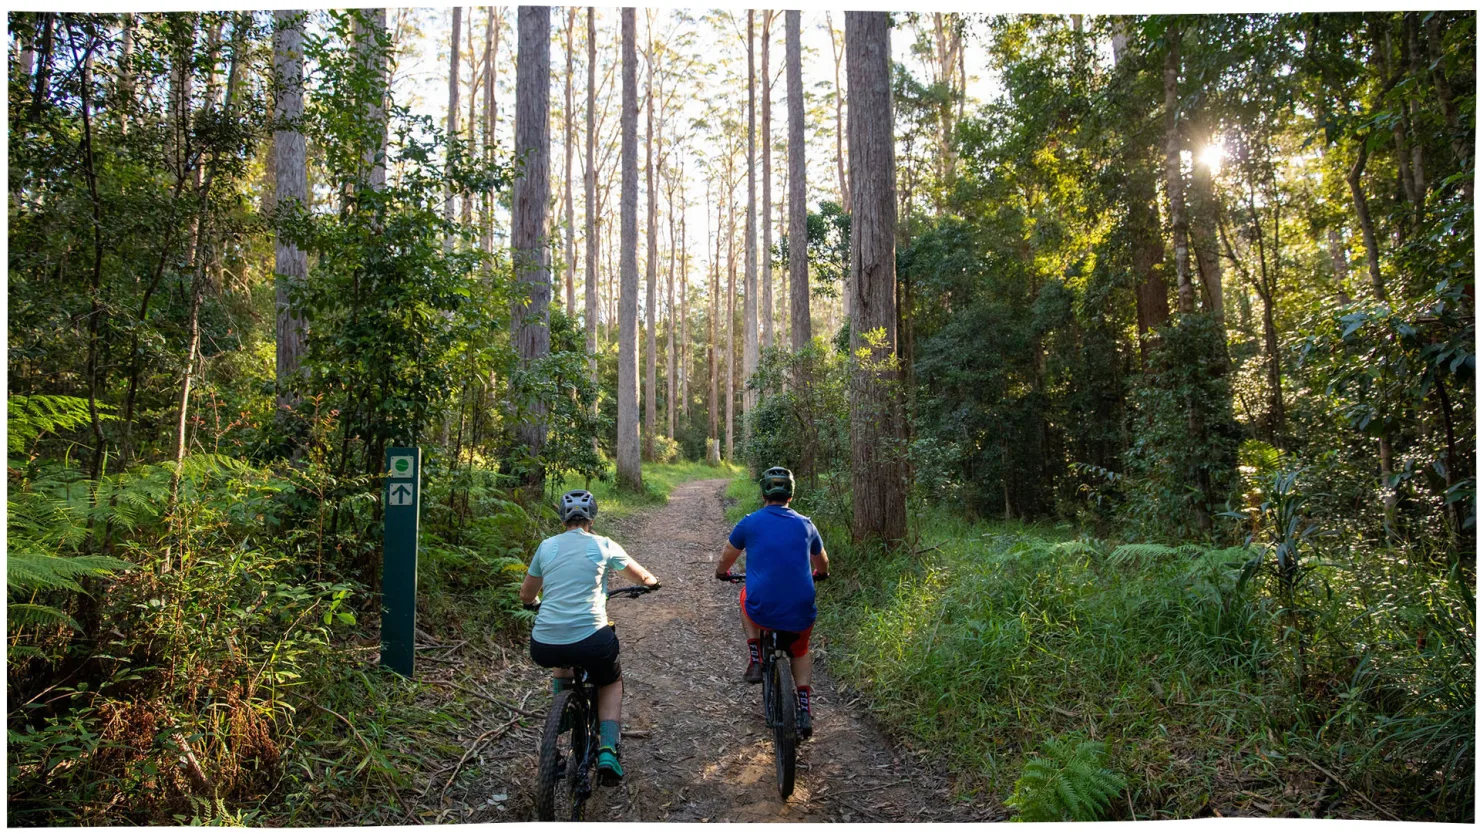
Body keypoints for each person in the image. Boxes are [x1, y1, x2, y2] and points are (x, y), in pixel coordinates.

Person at [520, 489, 659, 782]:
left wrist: (533, 604)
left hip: (544, 643)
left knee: (563, 655)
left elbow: (526, 594)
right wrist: (650, 582)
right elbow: (641, 576)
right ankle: (608, 749)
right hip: (592, 639)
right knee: (610, 680)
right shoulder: (604, 545)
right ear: (591, 519)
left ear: (562, 518)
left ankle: (557, 738)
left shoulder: (546, 547)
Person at [714, 467, 830, 738]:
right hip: (800, 610)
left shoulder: (749, 522)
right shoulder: (806, 524)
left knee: (745, 596)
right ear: (791, 493)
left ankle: (755, 656)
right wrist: (821, 574)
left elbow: (726, 557)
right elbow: (822, 562)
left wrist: (722, 573)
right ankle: (803, 706)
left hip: (761, 608)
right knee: (800, 651)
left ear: (763, 492)